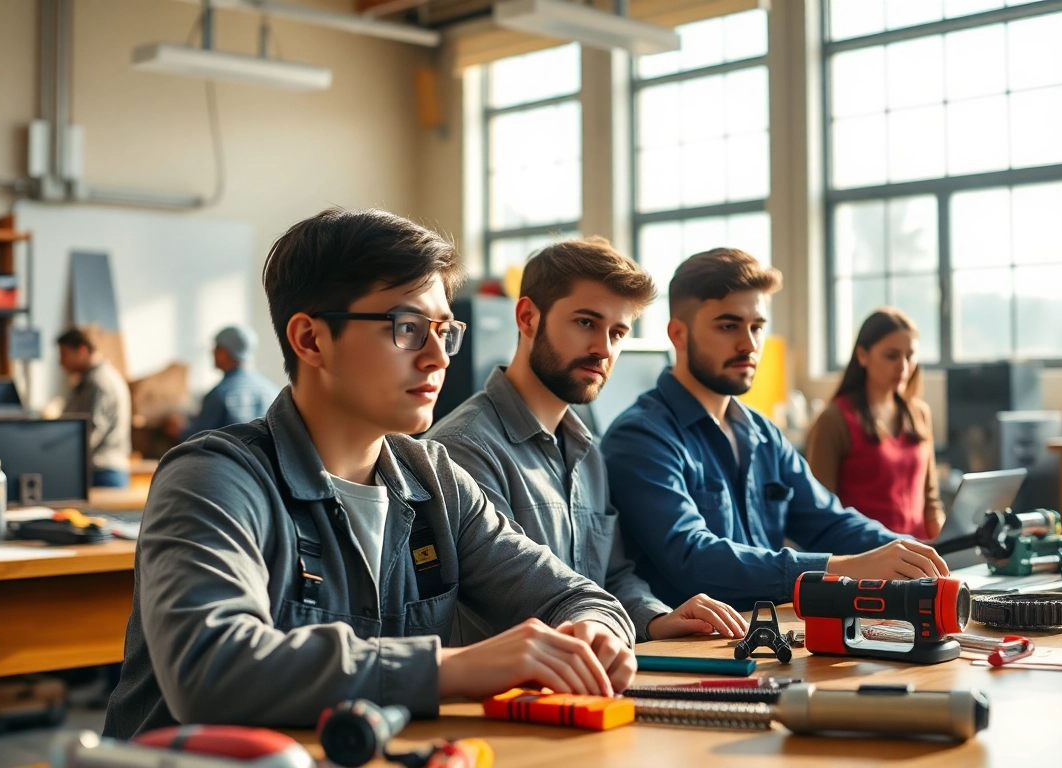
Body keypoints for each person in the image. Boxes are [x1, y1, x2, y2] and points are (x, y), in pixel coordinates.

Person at [103, 208, 636, 739]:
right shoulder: (213, 478)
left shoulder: (436, 481)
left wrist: (595, 635)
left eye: (444, 332)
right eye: (408, 328)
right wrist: (454, 669)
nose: (438, 358)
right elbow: (210, 666)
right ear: (311, 340)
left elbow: (577, 597)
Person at [428, 238, 748, 644]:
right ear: (527, 318)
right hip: (520, 678)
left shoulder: (587, 451)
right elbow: (521, 598)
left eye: (618, 332)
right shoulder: (462, 449)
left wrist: (657, 619)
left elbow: (613, 576)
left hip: (593, 663)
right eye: (586, 323)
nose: (604, 348)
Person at [601, 248, 948, 609]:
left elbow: (829, 522)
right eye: (728, 326)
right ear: (679, 334)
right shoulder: (641, 438)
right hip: (692, 642)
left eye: (757, 327)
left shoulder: (764, 434)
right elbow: (694, 558)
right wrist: (841, 568)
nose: (749, 344)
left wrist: (918, 555)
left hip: (769, 633)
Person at [805, 308, 945, 539]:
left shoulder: (919, 414)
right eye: (891, 356)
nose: (903, 367)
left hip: (920, 553)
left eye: (910, 356)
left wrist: (947, 546)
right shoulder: (834, 419)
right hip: (867, 554)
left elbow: (930, 501)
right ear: (863, 355)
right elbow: (821, 513)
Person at [165, 324, 282, 441]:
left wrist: (179, 430)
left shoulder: (220, 394)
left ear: (224, 352)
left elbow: (198, 440)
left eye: (216, 348)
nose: (212, 352)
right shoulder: (272, 390)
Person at [57, 327, 132, 488]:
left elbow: (91, 432)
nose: (60, 362)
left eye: (64, 354)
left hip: (103, 473)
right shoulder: (89, 380)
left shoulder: (100, 383)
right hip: (98, 470)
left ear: (82, 350)